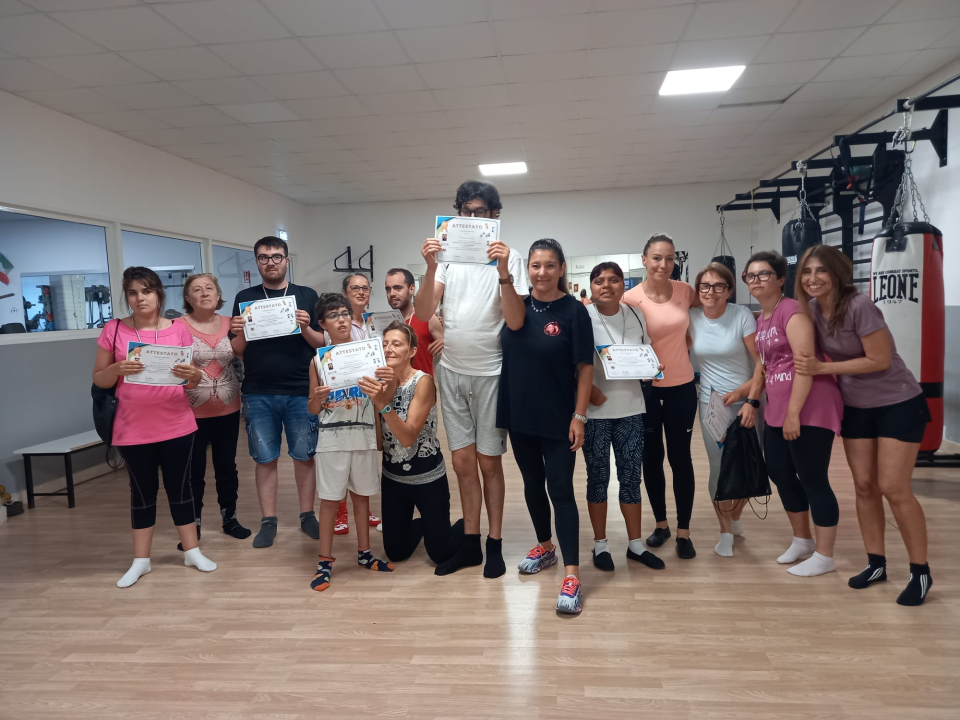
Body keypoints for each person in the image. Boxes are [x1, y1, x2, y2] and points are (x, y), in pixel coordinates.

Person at [795, 245, 933, 604]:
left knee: (893, 487)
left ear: (837, 273)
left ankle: (920, 571)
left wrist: (824, 368)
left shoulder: (859, 306)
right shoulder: (812, 310)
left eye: (821, 271)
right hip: (856, 407)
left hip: (898, 403)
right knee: (865, 487)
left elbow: (880, 359)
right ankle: (876, 564)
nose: (813, 278)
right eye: (807, 271)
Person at [416, 180, 527, 578]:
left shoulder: (510, 257)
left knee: (489, 462)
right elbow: (423, 310)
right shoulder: (447, 256)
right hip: (451, 370)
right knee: (462, 462)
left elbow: (516, 321)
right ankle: (470, 545)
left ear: (495, 215)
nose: (474, 218)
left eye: (482, 212)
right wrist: (431, 266)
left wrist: (503, 271)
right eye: (467, 212)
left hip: (491, 372)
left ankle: (495, 543)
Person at [93, 266, 215, 588]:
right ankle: (141, 561)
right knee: (141, 491)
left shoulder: (178, 329)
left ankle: (192, 551)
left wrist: (194, 376)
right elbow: (99, 379)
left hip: (177, 423)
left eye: (146, 291)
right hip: (132, 427)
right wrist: (117, 369)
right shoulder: (114, 330)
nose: (140, 298)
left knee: (181, 487)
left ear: (158, 293)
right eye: (132, 292)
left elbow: (193, 379)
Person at [498, 239, 594, 615]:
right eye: (535, 266)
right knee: (532, 484)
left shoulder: (574, 311)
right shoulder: (517, 304)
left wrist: (579, 416)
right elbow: (512, 325)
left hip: (558, 416)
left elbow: (585, 368)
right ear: (528, 269)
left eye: (550, 265)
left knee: (561, 490)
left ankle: (572, 575)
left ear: (562, 268)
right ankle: (546, 547)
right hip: (519, 414)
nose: (542, 272)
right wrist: (503, 275)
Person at [746, 251, 843, 577]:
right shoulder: (762, 319)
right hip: (779, 407)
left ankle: (825, 555)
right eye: (750, 275)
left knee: (813, 478)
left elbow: (806, 365)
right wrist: (753, 399)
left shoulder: (794, 311)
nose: (756, 280)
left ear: (780, 279)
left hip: (809, 407)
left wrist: (793, 414)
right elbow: (766, 367)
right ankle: (802, 540)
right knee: (780, 472)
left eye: (763, 274)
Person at [230, 236, 323, 549]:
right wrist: (242, 330)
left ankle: (307, 515)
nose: (270, 262)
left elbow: (322, 344)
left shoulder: (306, 295)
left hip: (301, 390)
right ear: (257, 262)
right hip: (258, 391)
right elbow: (237, 349)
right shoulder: (245, 298)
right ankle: (268, 520)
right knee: (265, 458)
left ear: (286, 260)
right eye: (263, 257)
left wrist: (306, 326)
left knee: (304, 456)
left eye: (276, 256)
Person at [359, 321, 463, 567]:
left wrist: (382, 405)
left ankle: (462, 527)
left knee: (440, 554)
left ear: (412, 351)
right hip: (394, 478)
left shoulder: (422, 382)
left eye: (397, 344)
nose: (389, 349)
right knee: (396, 553)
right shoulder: (377, 384)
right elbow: (380, 444)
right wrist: (373, 402)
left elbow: (408, 438)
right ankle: (424, 525)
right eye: (385, 344)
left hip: (427, 478)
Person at [307, 293, 393, 591]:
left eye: (345, 313)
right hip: (331, 440)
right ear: (323, 324)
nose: (342, 319)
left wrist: (386, 381)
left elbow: (383, 398)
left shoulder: (370, 354)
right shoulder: (318, 361)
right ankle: (324, 561)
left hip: (363, 435)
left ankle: (365, 553)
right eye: (334, 315)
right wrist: (317, 398)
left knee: (362, 496)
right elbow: (312, 408)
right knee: (330, 500)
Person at [583, 262, 664, 572]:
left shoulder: (635, 314)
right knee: (598, 477)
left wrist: (652, 367)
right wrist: (589, 391)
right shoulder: (583, 316)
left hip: (631, 408)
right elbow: (570, 362)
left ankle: (635, 545)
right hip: (595, 412)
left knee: (631, 477)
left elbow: (646, 350)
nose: (607, 285)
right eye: (599, 280)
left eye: (614, 280)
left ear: (622, 285)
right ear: (591, 287)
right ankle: (600, 545)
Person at [622, 234, 698, 559]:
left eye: (669, 258)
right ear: (644, 260)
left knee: (680, 458)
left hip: (682, 387)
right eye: (656, 258)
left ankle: (684, 531)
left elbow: (709, 311)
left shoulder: (685, 291)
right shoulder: (629, 299)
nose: (663, 264)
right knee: (651, 459)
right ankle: (662, 524)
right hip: (647, 391)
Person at [687, 262, 764, 557]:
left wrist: (748, 397)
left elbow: (761, 364)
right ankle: (725, 531)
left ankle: (735, 513)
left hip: (747, 401)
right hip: (712, 404)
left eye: (719, 286)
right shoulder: (692, 317)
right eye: (705, 286)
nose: (711, 292)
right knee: (719, 467)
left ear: (730, 290)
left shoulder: (741, 315)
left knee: (749, 465)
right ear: (698, 290)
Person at [177, 273, 248, 546]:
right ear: (188, 297)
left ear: (218, 295)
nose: (204, 293)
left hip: (228, 409)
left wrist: (244, 333)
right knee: (193, 471)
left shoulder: (232, 323)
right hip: (190, 412)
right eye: (197, 289)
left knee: (226, 467)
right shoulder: (177, 326)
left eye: (209, 288)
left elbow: (241, 352)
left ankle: (230, 518)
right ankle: (193, 524)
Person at [330, 273, 379, 537]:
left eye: (365, 288)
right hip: (342, 400)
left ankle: (363, 508)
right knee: (341, 460)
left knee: (363, 457)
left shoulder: (374, 322)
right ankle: (340, 512)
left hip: (369, 398)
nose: (360, 292)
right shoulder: (337, 323)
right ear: (345, 292)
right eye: (354, 288)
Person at [384, 267, 444, 377]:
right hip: (393, 385)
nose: (392, 293)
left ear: (411, 289)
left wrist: (446, 340)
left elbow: (449, 353)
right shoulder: (385, 324)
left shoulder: (428, 318)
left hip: (423, 385)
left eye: (398, 288)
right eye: (388, 289)